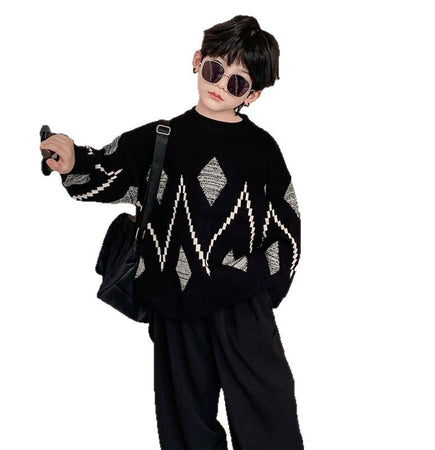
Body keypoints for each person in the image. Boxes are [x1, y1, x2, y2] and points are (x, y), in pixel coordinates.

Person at [41, 14, 304, 450]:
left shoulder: (262, 151)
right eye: (215, 68)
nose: (221, 85)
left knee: (268, 420)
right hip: (174, 305)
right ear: (198, 60)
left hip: (242, 307)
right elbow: (108, 169)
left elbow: (287, 228)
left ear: (253, 94)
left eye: (238, 82)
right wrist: (72, 161)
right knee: (185, 430)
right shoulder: (161, 138)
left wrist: (257, 287)